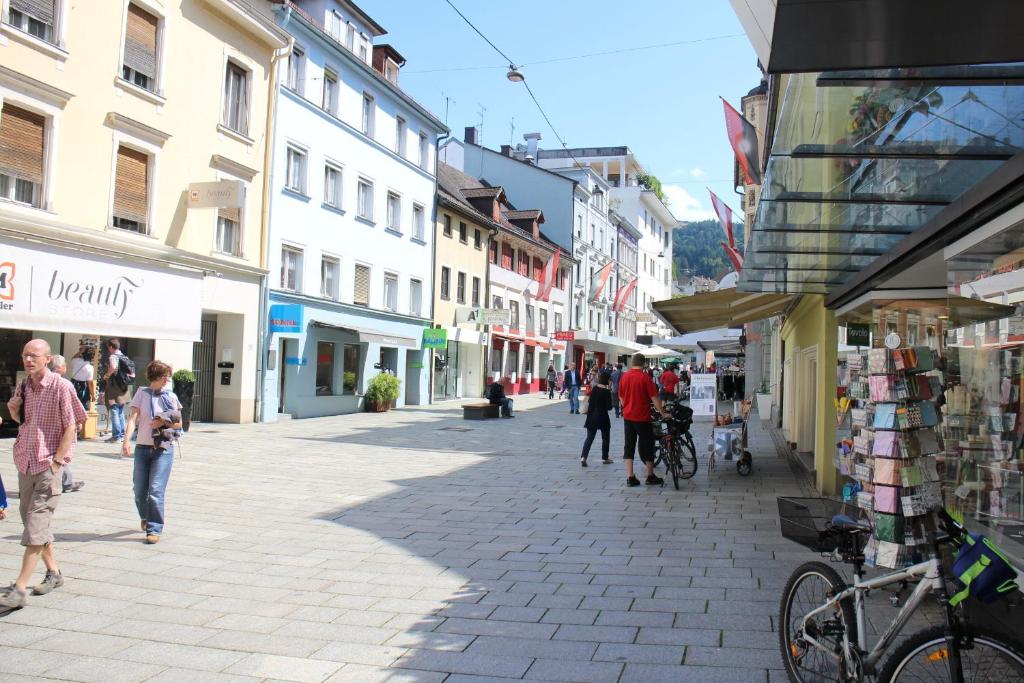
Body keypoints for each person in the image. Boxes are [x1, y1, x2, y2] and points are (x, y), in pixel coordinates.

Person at [0, 339, 87, 610]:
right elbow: (26, 422)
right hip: (25, 462)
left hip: (48, 465)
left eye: (34, 355)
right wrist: (14, 413)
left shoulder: (62, 386)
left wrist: (58, 463)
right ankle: (55, 573)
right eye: (25, 355)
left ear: (47, 359)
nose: (28, 360)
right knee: (32, 524)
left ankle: (20, 588)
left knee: (36, 525)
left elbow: (73, 425)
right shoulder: (25, 385)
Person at [122, 361, 182, 544]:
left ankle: (154, 528)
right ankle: (146, 517)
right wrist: (126, 441)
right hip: (142, 448)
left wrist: (163, 422)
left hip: (163, 449)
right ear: (159, 378)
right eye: (166, 377)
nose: (167, 381)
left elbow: (179, 425)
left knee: (155, 490)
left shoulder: (171, 397)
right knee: (139, 491)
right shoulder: (142, 393)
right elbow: (133, 419)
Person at [619, 352, 668, 487]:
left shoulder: (624, 377)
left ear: (632, 363)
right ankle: (650, 475)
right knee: (647, 446)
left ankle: (630, 477)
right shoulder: (645, 378)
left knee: (629, 446)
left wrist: (628, 406)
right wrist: (663, 413)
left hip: (628, 417)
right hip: (642, 417)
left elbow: (621, 398)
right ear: (644, 364)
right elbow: (655, 399)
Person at [48, 356, 85, 494]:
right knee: (60, 452)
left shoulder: (38, 381)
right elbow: (74, 405)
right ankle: (66, 482)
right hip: (62, 426)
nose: (66, 368)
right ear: (59, 368)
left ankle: (67, 481)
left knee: (56, 453)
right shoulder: (65, 384)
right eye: (65, 365)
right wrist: (78, 421)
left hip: (44, 427)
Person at [580, 370, 614, 467]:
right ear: (607, 380)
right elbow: (609, 407)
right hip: (603, 417)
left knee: (589, 438)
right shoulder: (607, 392)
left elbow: (590, 401)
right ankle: (605, 457)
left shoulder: (594, 389)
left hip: (591, 416)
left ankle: (583, 457)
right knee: (606, 438)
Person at [103, 339, 131, 444]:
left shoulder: (113, 356)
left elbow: (113, 368)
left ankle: (116, 436)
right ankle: (122, 435)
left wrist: (106, 375)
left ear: (111, 347)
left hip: (114, 386)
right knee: (120, 411)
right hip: (122, 386)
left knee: (114, 410)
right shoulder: (123, 356)